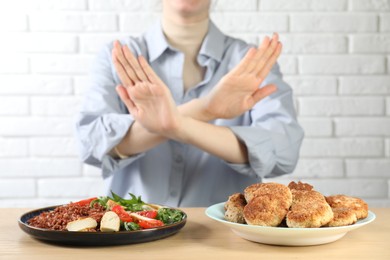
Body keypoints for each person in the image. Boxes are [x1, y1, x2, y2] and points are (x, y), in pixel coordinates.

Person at [75, 0, 304, 207]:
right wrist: (205, 110)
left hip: (223, 236)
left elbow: (284, 150)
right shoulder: (120, 55)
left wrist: (177, 124)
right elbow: (91, 142)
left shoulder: (251, 62)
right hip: (130, 234)